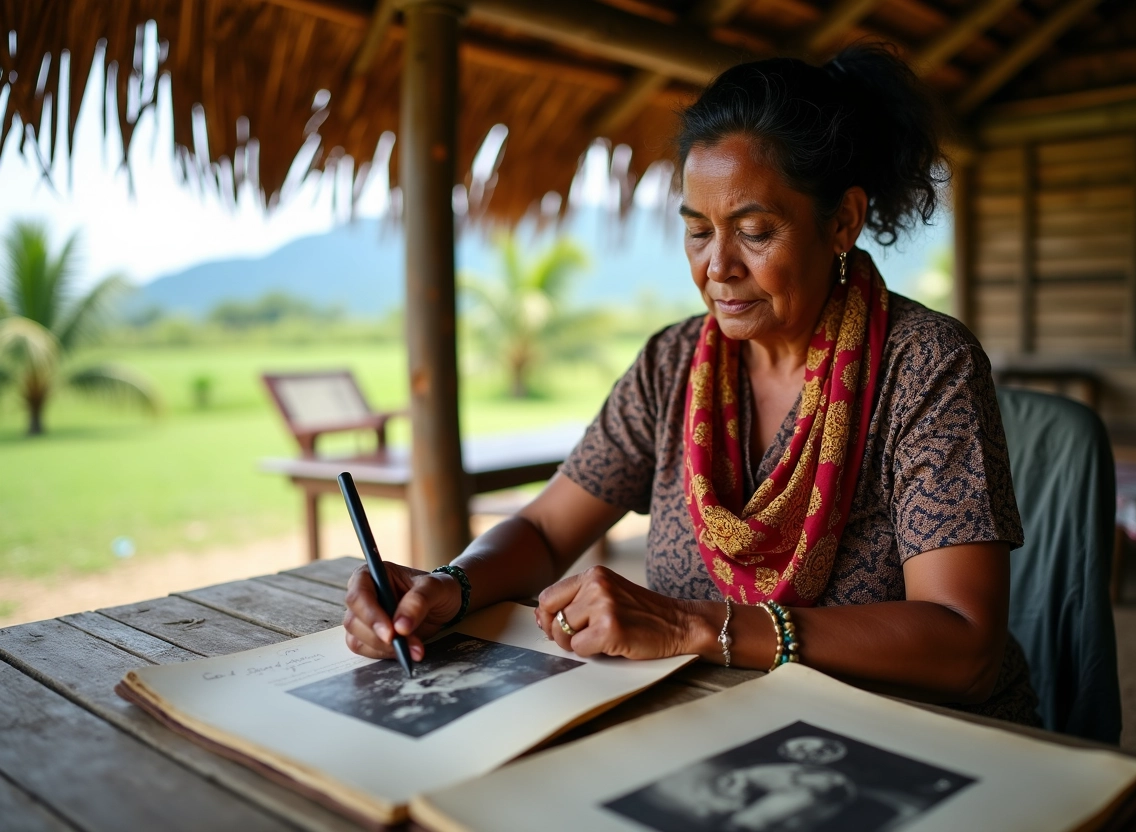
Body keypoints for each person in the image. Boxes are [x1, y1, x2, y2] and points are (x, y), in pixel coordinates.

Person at [344, 44, 1039, 725]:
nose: (718, 266)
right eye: (698, 231)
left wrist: (698, 626)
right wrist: (450, 585)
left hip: (903, 739)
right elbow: (545, 529)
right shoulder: (675, 366)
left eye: (756, 231)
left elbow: (964, 645)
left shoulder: (922, 366)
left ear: (842, 222)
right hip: (710, 725)